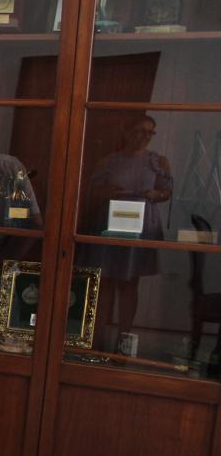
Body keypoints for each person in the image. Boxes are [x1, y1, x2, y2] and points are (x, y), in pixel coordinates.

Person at [84, 114, 173, 344]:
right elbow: (92, 192)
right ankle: (98, 339)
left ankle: (124, 341)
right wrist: (108, 191)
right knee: (104, 282)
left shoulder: (158, 161)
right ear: (126, 132)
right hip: (112, 222)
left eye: (150, 132)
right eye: (140, 131)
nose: (145, 137)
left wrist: (156, 195)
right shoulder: (109, 161)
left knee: (129, 282)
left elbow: (166, 191)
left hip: (141, 223)